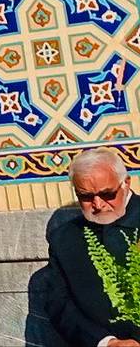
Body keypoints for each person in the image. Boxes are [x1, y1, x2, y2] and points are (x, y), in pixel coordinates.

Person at [47, 147, 140, 347]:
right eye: (86, 197)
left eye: (107, 194)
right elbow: (59, 304)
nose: (98, 204)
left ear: (126, 183)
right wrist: (105, 342)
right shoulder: (64, 239)